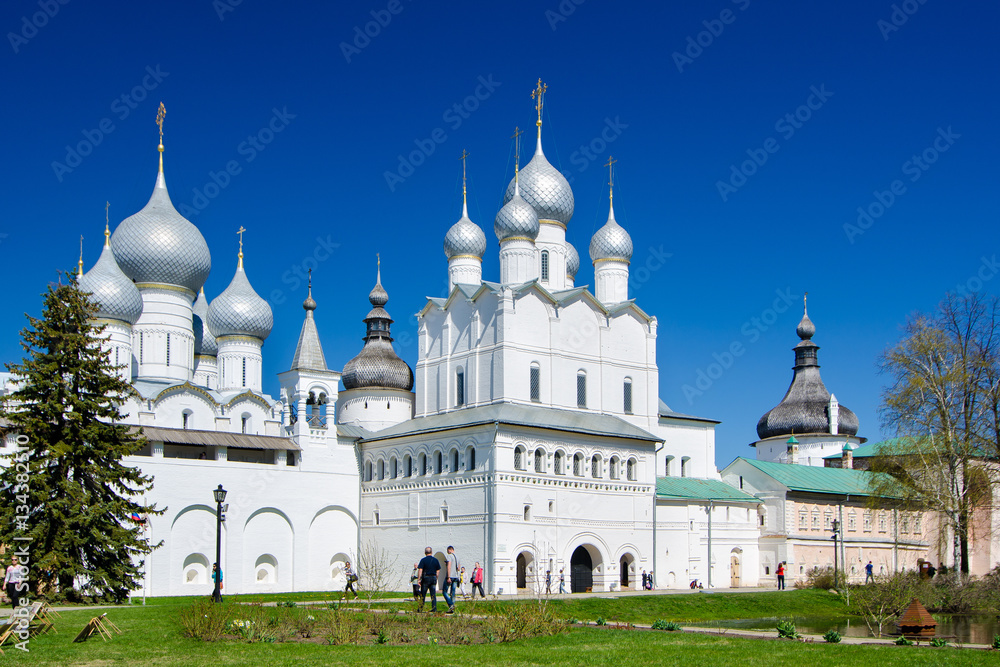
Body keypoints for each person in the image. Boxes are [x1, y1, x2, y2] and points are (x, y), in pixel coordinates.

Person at [417, 547, 442, 612]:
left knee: (423, 594)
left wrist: (419, 579)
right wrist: (436, 577)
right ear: (431, 552)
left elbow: (420, 570)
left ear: (425, 553)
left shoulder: (423, 560)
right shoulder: (435, 560)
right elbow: (438, 570)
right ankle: (434, 608)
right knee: (433, 594)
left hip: (426, 578)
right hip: (433, 577)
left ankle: (420, 608)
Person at [442, 545, 459, 613]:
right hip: (456, 576)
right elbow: (458, 568)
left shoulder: (449, 556)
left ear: (449, 550)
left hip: (450, 576)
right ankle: (452, 607)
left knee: (444, 591)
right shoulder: (458, 557)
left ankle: (451, 605)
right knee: (453, 592)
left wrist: (448, 577)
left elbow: (449, 566)